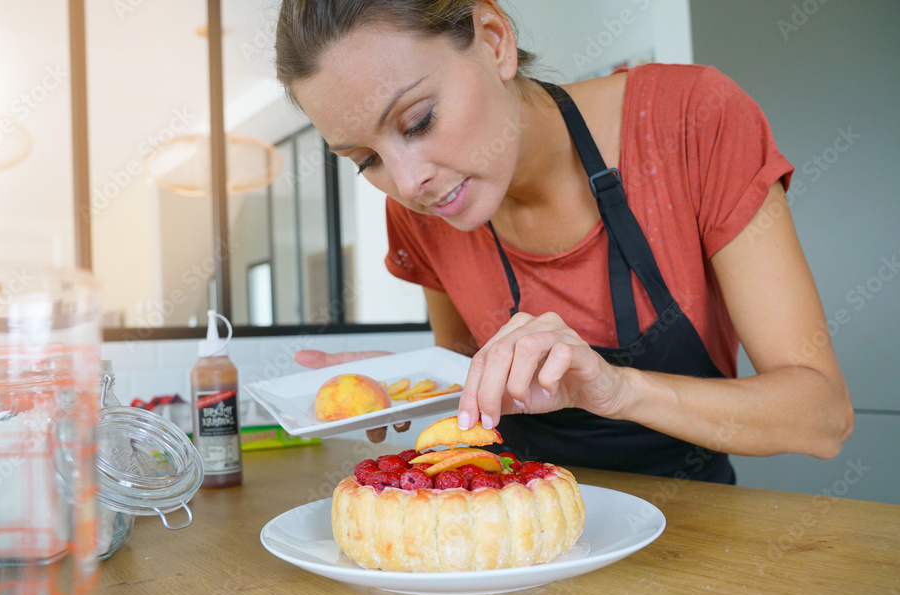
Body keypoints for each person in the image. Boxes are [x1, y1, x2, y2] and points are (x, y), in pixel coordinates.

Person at [275, 0, 853, 483]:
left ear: (495, 40)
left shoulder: (692, 120)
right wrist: (418, 383)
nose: (406, 183)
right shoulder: (421, 213)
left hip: (699, 543)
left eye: (419, 120)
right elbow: (471, 387)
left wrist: (615, 388)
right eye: (366, 159)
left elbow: (821, 417)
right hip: (523, 535)